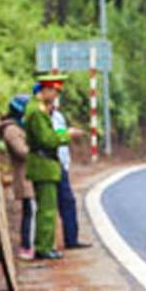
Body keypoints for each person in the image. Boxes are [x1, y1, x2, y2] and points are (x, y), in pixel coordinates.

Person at [23, 74, 83, 259]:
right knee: (47, 209)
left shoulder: (38, 109)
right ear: (46, 90)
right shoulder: (37, 111)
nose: (55, 97)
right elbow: (46, 139)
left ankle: (47, 244)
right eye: (54, 92)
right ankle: (43, 247)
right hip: (43, 165)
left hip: (47, 165)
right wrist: (67, 135)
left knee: (48, 207)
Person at [0, 95, 35, 260]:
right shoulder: (12, 130)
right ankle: (27, 246)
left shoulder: (17, 127)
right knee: (29, 211)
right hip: (24, 177)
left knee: (30, 211)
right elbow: (22, 152)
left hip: (29, 175)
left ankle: (29, 245)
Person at [50, 99, 91, 249]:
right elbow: (50, 138)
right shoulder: (40, 116)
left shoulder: (58, 116)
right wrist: (68, 134)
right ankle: (45, 245)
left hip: (62, 163)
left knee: (68, 202)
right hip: (50, 163)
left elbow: (60, 135)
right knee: (49, 206)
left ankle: (71, 238)